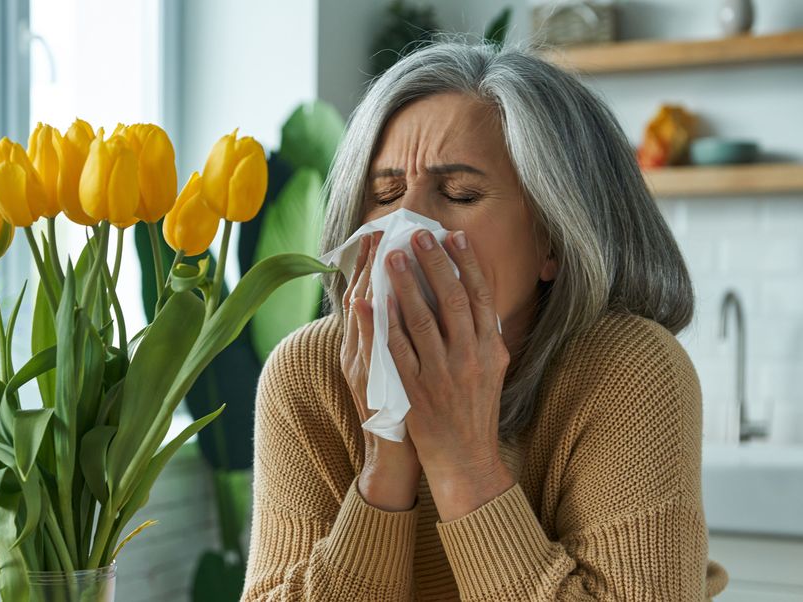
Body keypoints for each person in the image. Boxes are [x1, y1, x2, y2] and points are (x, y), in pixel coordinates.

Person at [240, 40, 729, 601]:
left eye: (460, 193)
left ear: (553, 239)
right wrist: (386, 460)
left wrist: (461, 461)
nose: (407, 221)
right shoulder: (306, 374)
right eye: (386, 193)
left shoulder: (630, 372)